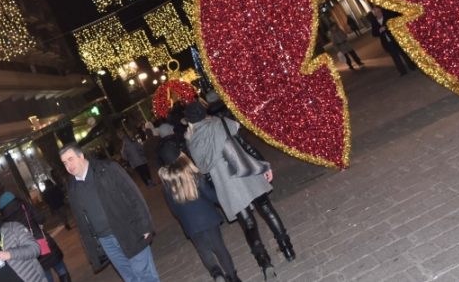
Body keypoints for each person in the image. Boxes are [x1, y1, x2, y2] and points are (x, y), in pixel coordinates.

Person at [184, 102, 293, 281]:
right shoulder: (221, 123)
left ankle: (264, 263)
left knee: (248, 224)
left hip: (227, 185)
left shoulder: (193, 142)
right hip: (246, 171)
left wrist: (216, 195)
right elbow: (245, 145)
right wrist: (263, 164)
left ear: (189, 121)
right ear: (204, 113)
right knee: (267, 209)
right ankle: (287, 248)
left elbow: (204, 172)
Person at [59, 143, 160, 282]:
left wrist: (145, 226)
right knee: (130, 278)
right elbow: (82, 223)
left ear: (81, 156)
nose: (69, 165)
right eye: (65, 163)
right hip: (106, 241)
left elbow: (133, 195)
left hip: (129, 230)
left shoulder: (107, 169)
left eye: (71, 159)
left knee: (144, 275)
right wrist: (93, 249)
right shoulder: (73, 188)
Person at [158, 145, 241, 282]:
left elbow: (174, 211)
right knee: (220, 248)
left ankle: (217, 274)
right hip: (208, 219)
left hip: (190, 226)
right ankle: (232, 276)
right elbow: (210, 195)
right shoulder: (193, 174)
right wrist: (222, 199)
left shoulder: (166, 185)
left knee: (203, 251)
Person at [0, 191, 71, 282]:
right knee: (59, 267)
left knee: (46, 274)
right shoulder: (24, 206)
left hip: (29, 249)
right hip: (43, 241)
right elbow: (41, 218)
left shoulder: (6, 222)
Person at [368, 5, 417, 75]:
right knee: (395, 57)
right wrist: (379, 31)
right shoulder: (374, 22)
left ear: (380, 10)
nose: (377, 13)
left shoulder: (387, 17)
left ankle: (412, 66)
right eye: (375, 12)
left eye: (378, 11)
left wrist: (387, 27)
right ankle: (402, 71)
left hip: (395, 38)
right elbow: (374, 33)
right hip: (387, 42)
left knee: (403, 53)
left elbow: (394, 24)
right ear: (374, 14)